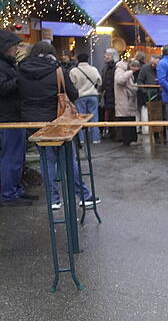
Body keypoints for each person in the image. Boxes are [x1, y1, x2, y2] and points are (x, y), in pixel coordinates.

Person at [18, 41, 96, 211]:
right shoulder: (57, 70)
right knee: (69, 160)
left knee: (46, 161)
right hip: (57, 121)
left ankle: (53, 199)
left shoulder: (21, 70)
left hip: (33, 122)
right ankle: (83, 196)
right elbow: (73, 94)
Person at [0, 30, 35, 207]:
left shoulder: (8, 65)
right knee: (11, 157)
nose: (16, 49)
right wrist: (19, 79)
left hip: (14, 116)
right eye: (13, 46)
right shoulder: (3, 66)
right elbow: (2, 88)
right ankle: (8, 194)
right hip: (8, 118)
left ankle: (16, 189)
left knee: (17, 156)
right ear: (5, 47)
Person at [69, 52, 103, 145]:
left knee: (80, 118)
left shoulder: (74, 71)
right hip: (93, 95)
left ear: (78, 60)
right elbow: (99, 81)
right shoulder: (93, 69)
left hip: (80, 96)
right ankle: (95, 139)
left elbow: (72, 83)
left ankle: (81, 139)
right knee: (94, 117)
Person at [114, 56, 139, 146]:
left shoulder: (124, 70)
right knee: (126, 119)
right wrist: (130, 72)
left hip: (128, 99)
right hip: (124, 99)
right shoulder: (120, 70)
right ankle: (128, 140)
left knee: (130, 118)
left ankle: (131, 139)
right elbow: (120, 80)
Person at [100, 48, 118, 140]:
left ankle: (115, 133)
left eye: (108, 55)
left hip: (115, 94)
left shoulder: (116, 67)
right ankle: (112, 132)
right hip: (108, 94)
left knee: (114, 113)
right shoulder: (105, 67)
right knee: (110, 113)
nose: (105, 56)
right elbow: (103, 81)